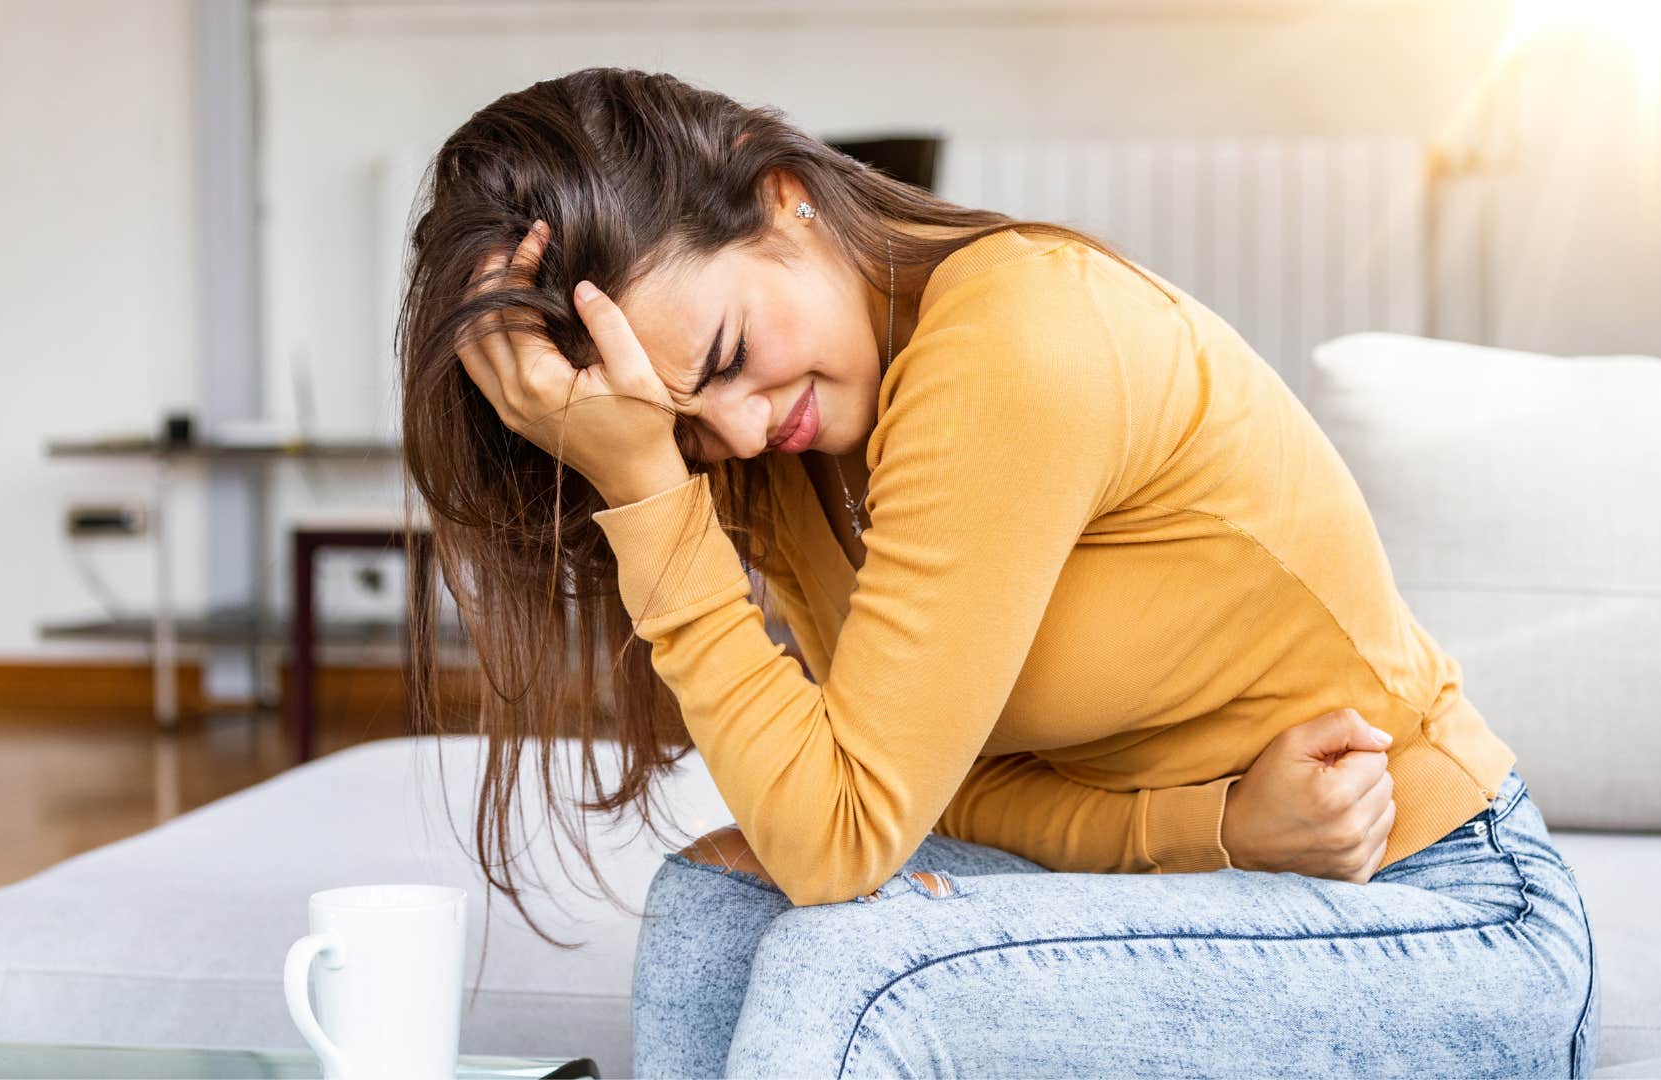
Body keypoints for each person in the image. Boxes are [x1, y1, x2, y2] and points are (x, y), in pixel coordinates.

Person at [397, 66, 1599, 1077]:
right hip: (1238, 878)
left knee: (855, 974)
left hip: (1436, 908)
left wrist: (645, 493)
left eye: (728, 355)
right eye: (682, 428)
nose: (745, 431)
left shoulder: (1011, 343)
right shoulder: (791, 448)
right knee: (712, 912)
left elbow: (844, 840)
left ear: (785, 200)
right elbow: (928, 794)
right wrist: (1214, 827)